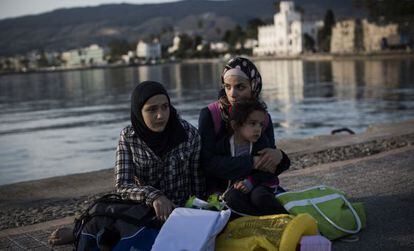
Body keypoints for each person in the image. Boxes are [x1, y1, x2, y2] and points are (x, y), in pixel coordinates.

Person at [48, 81, 205, 246]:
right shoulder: (129, 137)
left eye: (165, 107)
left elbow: (197, 181)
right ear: (139, 112)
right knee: (104, 225)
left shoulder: (189, 134)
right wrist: (154, 196)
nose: (161, 115)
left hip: (180, 212)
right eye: (152, 109)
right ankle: (79, 231)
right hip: (142, 211)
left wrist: (199, 213)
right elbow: (123, 184)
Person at [198, 56, 290, 216]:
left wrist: (279, 156)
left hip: (252, 184)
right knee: (232, 201)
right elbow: (208, 163)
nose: (232, 94)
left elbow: (269, 165)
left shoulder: (261, 117)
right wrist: (251, 162)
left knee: (260, 197)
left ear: (253, 87)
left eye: (240, 87)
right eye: (227, 87)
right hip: (219, 190)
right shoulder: (211, 115)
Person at [216, 99, 286, 215]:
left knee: (259, 196)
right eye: (253, 123)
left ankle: (285, 216)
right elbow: (217, 169)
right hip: (236, 188)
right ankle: (255, 219)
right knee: (231, 197)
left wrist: (250, 182)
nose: (258, 129)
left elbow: (268, 172)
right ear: (235, 125)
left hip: (260, 184)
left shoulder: (261, 142)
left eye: (260, 124)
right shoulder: (223, 146)